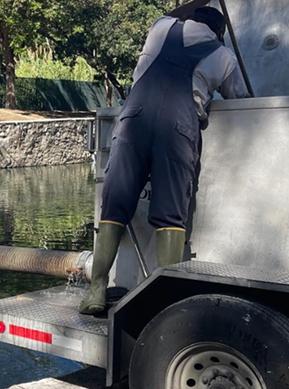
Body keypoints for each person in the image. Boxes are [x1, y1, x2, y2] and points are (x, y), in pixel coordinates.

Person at [79, 0, 249, 314]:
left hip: (135, 122)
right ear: (220, 32)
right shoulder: (223, 55)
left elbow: (174, 14)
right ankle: (165, 302)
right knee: (171, 214)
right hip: (179, 129)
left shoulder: (161, 28)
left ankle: (96, 292)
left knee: (115, 204)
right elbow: (240, 97)